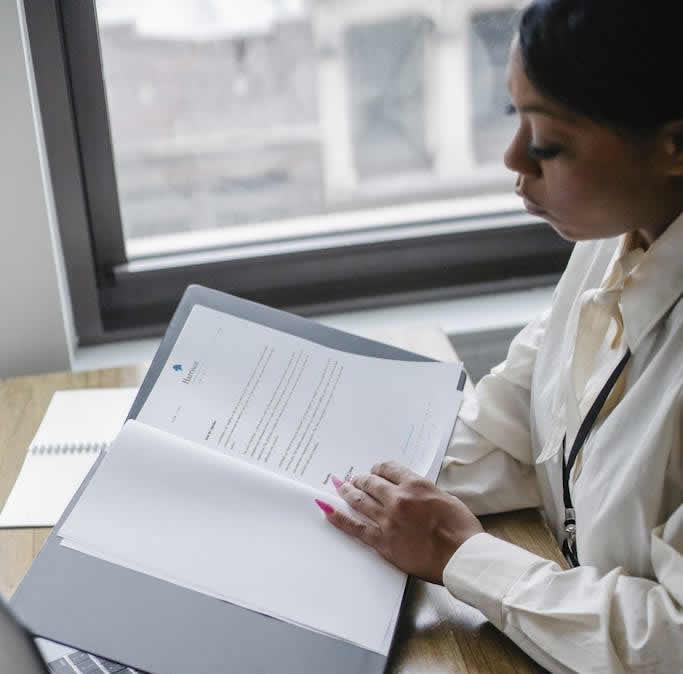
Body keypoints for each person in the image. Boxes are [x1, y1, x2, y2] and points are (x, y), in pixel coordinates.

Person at [314, 1, 683, 671]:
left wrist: (463, 558)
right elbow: (523, 420)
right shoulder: (624, 232)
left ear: (674, 147)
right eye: (515, 117)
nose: (513, 162)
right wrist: (337, 477)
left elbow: (672, 638)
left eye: (546, 143)